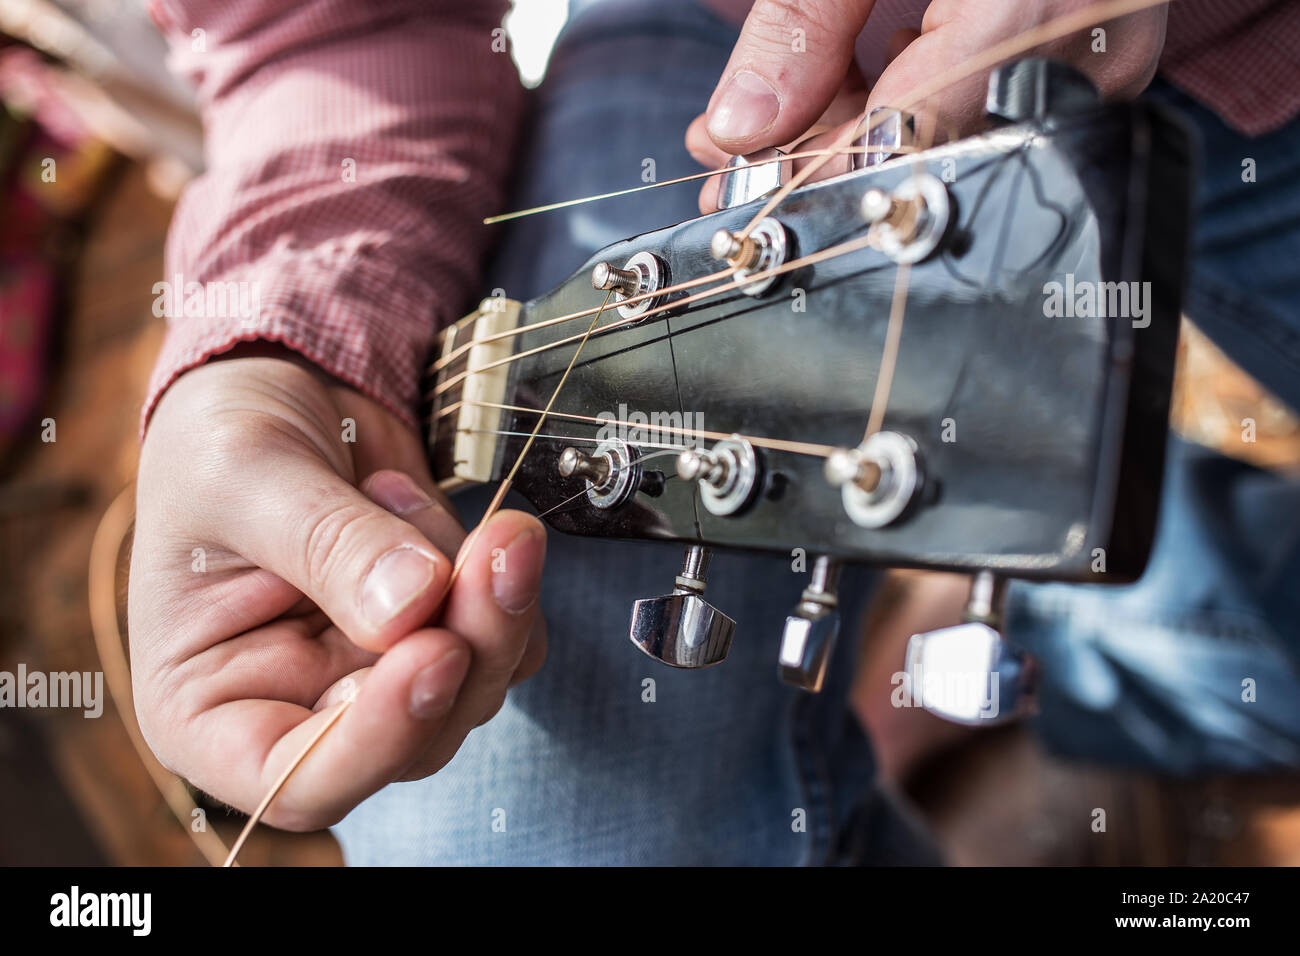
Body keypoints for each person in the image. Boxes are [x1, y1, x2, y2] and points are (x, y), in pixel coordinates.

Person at [128, 0, 1296, 865]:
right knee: (530, 833)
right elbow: (322, 33)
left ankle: (1065, 604)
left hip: (1236, 45)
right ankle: (1037, 578)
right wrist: (284, 352)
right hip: (710, 45)